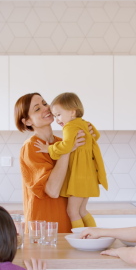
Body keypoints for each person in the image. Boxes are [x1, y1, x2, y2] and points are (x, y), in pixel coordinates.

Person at [14, 92, 88, 233]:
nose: (46, 108)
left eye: (44, 103)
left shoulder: (62, 143)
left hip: (69, 227)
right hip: (43, 230)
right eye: (37, 109)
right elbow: (53, 191)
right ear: (28, 121)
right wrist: (66, 151)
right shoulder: (31, 147)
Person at [33, 92, 108, 229]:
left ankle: (81, 238)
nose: (57, 119)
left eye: (59, 115)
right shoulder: (84, 123)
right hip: (88, 175)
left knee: (72, 212)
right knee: (82, 210)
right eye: (55, 116)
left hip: (79, 176)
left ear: (73, 112)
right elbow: (96, 136)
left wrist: (49, 149)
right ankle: (95, 234)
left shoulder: (69, 126)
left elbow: (66, 146)